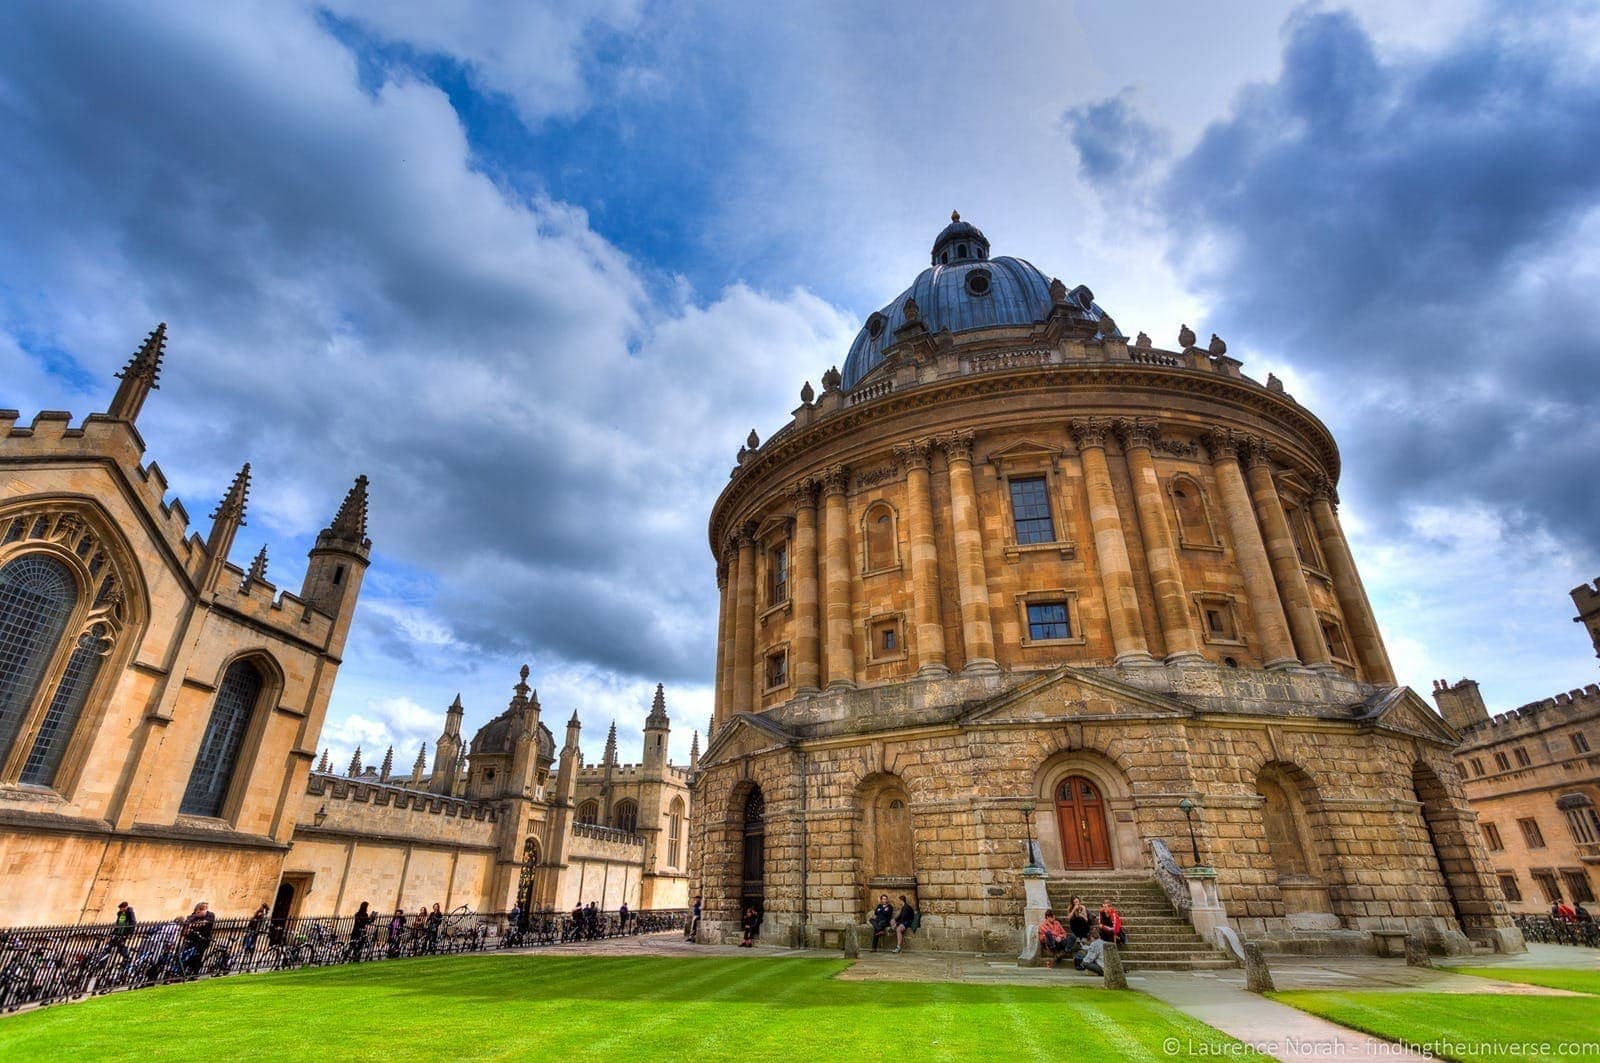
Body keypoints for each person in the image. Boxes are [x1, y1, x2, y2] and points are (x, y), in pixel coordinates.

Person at [179, 902, 215, 975]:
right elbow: (187, 923)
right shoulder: (194, 915)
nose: (196, 913)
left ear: (203, 910)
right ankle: (184, 971)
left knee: (198, 956)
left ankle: (195, 973)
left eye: (198, 912)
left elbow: (204, 923)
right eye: (196, 912)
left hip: (203, 939)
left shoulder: (210, 915)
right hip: (192, 938)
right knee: (187, 955)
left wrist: (193, 924)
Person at [105, 901, 137, 965]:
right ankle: (102, 963)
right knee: (108, 947)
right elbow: (117, 924)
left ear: (126, 907)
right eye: (120, 908)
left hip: (124, 934)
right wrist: (113, 932)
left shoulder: (130, 913)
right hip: (117, 933)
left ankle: (127, 958)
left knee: (120, 947)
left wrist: (130, 934)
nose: (120, 909)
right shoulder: (120, 914)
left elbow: (133, 923)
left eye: (122, 908)